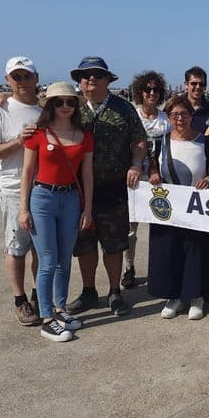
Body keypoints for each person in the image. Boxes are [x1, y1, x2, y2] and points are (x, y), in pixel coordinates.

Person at [65, 57, 147, 317]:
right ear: (78, 81)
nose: (91, 79)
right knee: (85, 244)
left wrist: (136, 164)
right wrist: (1, 98)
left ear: (107, 80)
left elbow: (139, 140)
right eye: (85, 75)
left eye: (97, 75)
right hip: (78, 190)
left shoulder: (123, 108)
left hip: (114, 188)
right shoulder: (71, 108)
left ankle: (114, 292)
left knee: (114, 245)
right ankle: (89, 291)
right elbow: (36, 109)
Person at [19, 82, 94, 342]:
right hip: (42, 198)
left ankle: (60, 309)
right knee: (48, 259)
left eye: (70, 102)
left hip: (71, 199)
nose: (65, 106)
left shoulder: (84, 136)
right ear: (50, 105)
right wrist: (23, 208)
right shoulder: (38, 134)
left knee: (64, 258)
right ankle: (47, 317)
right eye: (59, 102)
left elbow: (88, 175)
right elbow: (27, 173)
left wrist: (88, 209)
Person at [0, 57, 42, 325]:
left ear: (36, 78)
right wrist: (18, 141)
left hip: (46, 189)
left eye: (27, 76)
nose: (22, 82)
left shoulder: (47, 109)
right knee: (16, 247)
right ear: (8, 80)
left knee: (42, 248)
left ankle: (40, 294)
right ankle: (20, 300)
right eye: (16, 77)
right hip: (15, 190)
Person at [147, 95, 209, 320]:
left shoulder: (204, 143)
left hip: (197, 208)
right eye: (175, 115)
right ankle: (174, 295)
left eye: (184, 114)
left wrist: (208, 180)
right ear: (168, 117)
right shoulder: (160, 142)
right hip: (169, 208)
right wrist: (153, 174)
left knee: (196, 249)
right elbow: (151, 167)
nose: (180, 119)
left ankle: (196, 295)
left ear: (191, 116)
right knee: (170, 250)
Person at [122, 70, 171, 289]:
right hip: (133, 178)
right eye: (147, 89)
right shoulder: (131, 115)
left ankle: (161, 267)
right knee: (130, 229)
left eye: (156, 90)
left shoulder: (166, 120)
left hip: (158, 179)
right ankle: (129, 267)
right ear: (139, 91)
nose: (152, 93)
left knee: (161, 225)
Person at [184, 66, 209, 132]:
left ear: (205, 86)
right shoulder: (176, 109)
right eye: (194, 83)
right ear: (186, 84)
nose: (198, 87)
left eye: (201, 84)